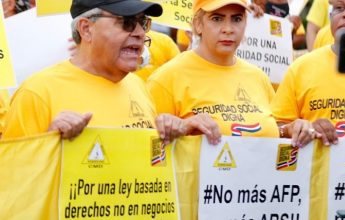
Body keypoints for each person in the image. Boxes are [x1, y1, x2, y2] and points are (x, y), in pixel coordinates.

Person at [147, 0, 319, 219]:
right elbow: (148, 152)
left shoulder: (257, 77)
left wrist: (292, 129)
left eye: (236, 19)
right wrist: (184, 127)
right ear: (198, 25)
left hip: (259, 208)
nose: (228, 28)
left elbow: (272, 131)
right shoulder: (167, 78)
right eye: (217, 19)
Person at [2, 0, 220, 145]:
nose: (140, 32)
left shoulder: (138, 87)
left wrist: (178, 132)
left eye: (143, 22)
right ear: (86, 29)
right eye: (126, 23)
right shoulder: (37, 93)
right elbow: (13, 184)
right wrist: (49, 142)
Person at [272, 0, 345, 145]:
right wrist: (300, 128)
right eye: (339, 8)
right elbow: (274, 130)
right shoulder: (301, 67)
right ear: (330, 16)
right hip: (317, 167)